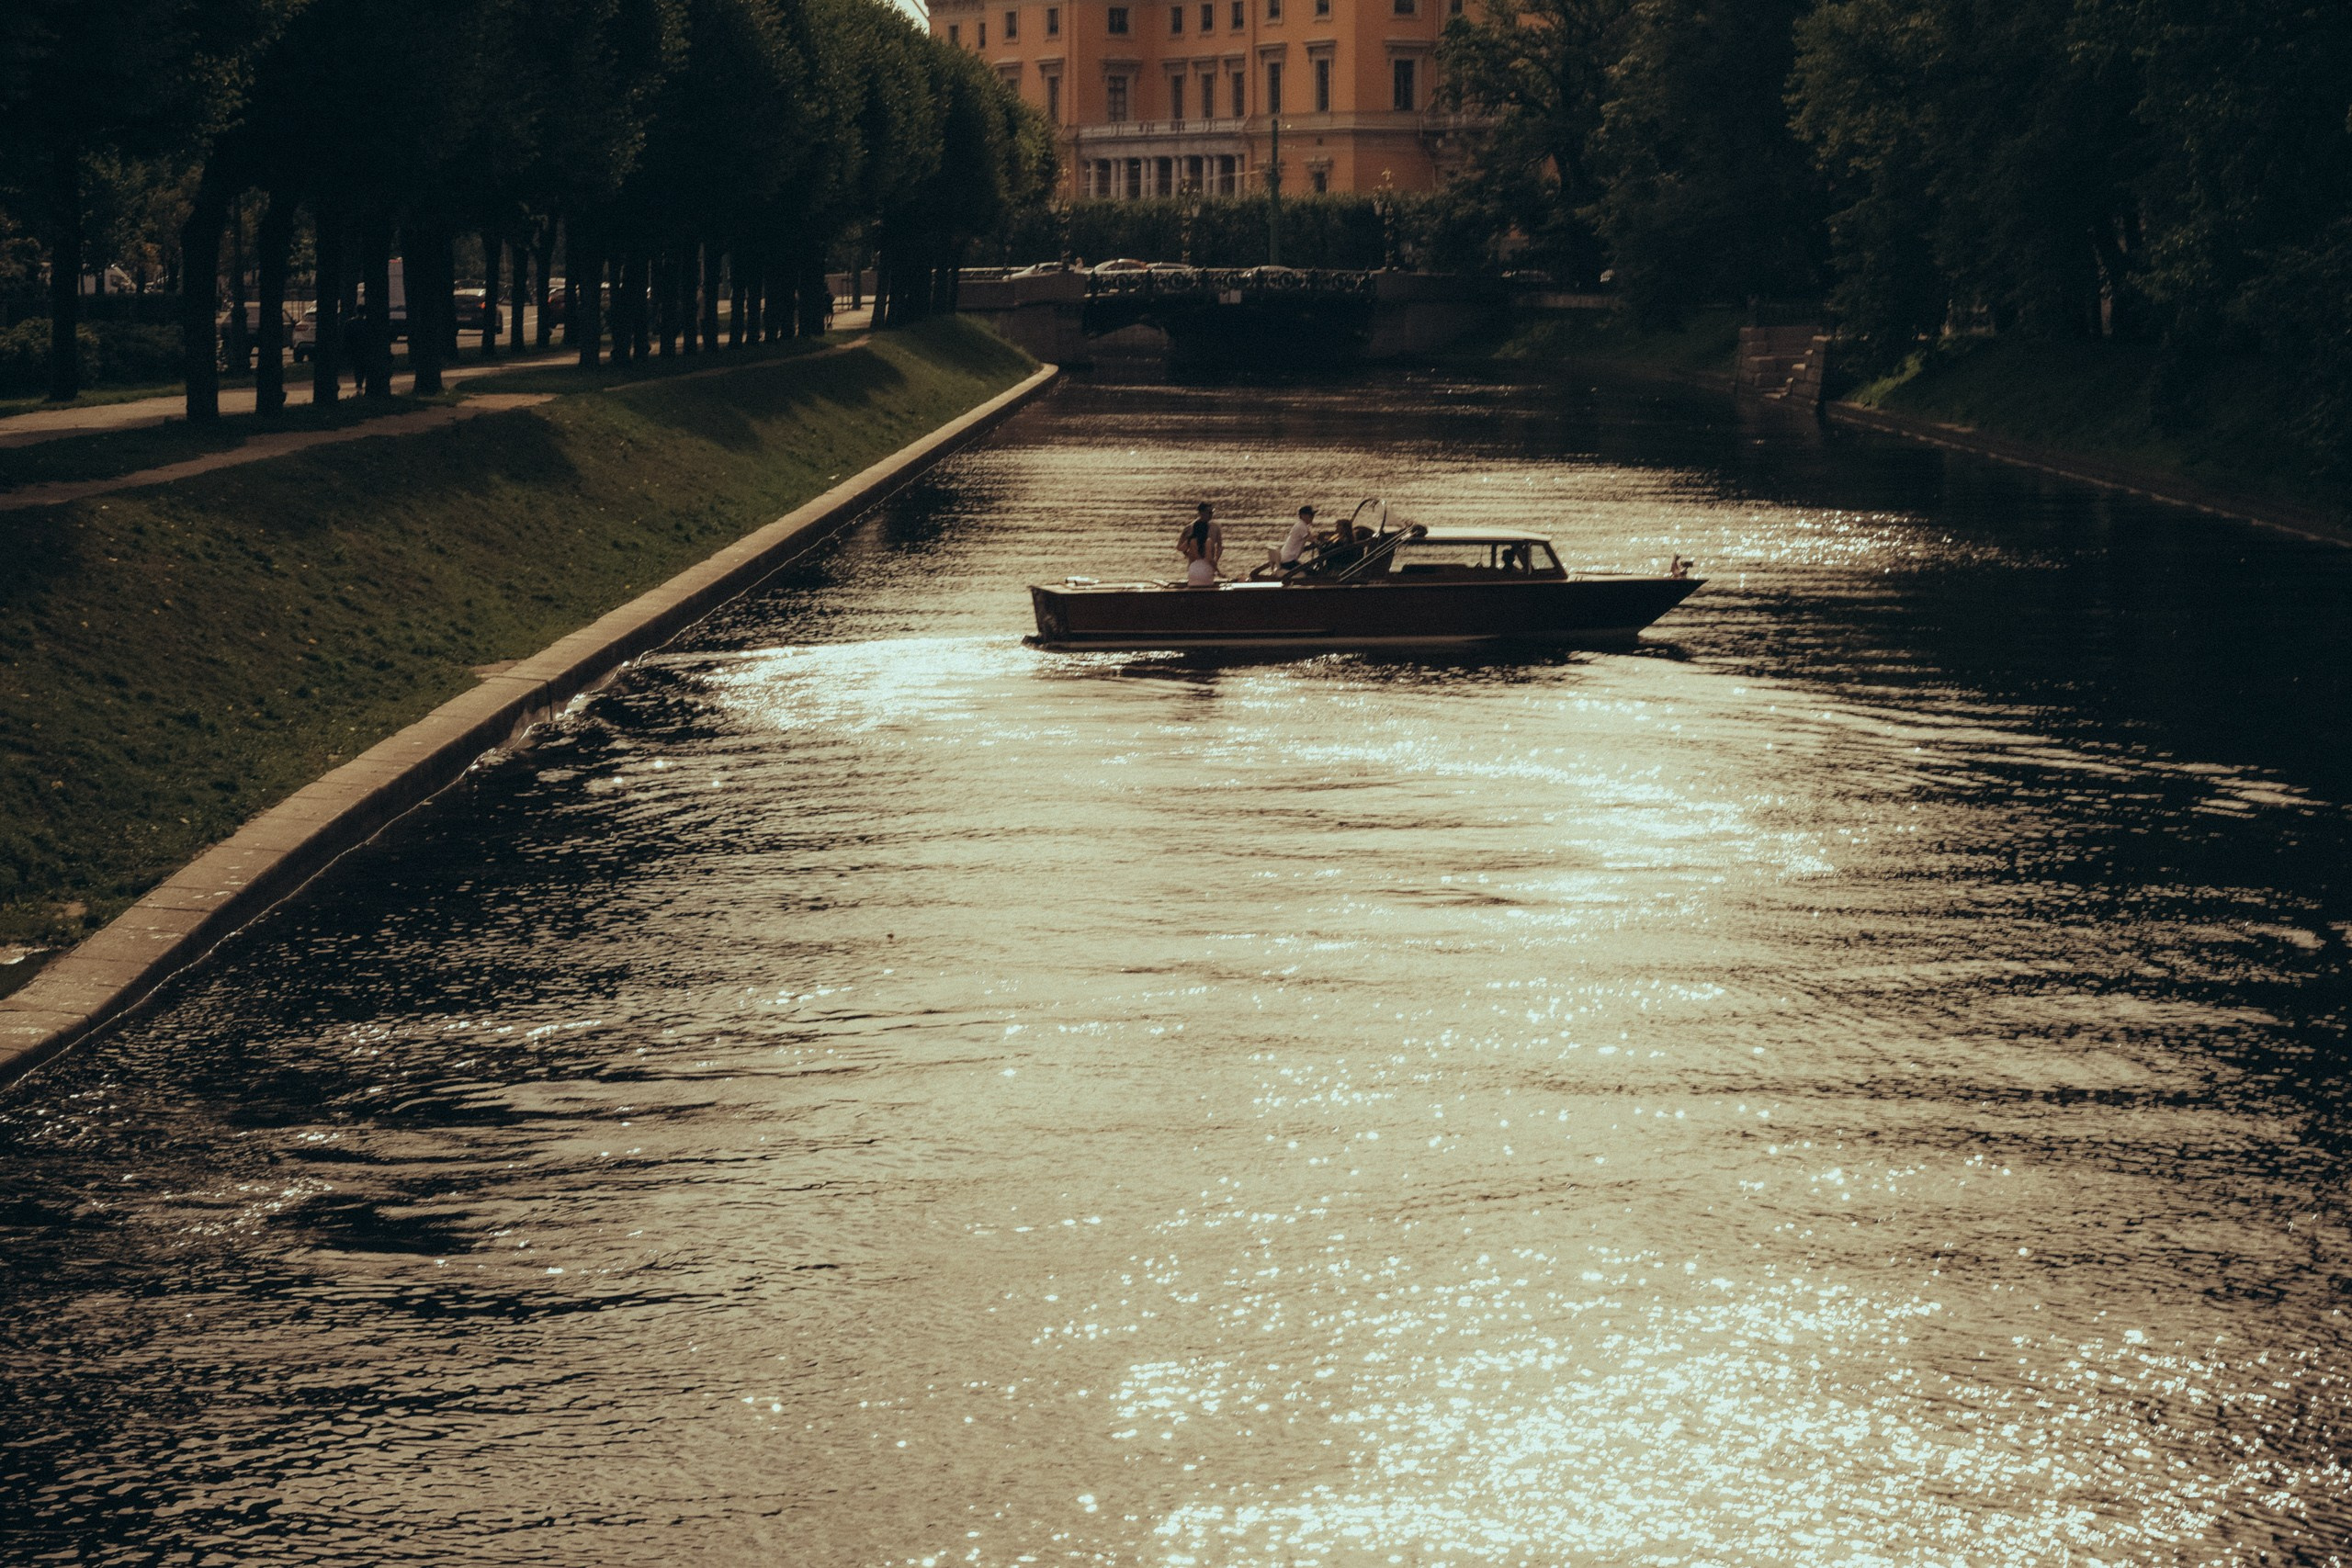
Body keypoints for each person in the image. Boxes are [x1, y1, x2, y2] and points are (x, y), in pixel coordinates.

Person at [1177, 502, 1223, 585]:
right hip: (1204, 565)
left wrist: (1216, 560)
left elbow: (1220, 546)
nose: (1211, 514)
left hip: (1202, 566)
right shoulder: (1190, 527)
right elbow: (1179, 547)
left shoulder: (1216, 527)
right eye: (1209, 512)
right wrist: (1189, 555)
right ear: (1201, 513)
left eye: (1212, 512)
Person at [1281, 504, 1317, 568]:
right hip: (1289, 561)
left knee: (1309, 568)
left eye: (1313, 515)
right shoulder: (1301, 526)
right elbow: (1311, 539)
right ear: (1303, 516)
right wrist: (1318, 541)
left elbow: (1310, 536)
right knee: (1312, 572)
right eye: (1310, 515)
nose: (1312, 517)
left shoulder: (1301, 525)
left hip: (1286, 558)